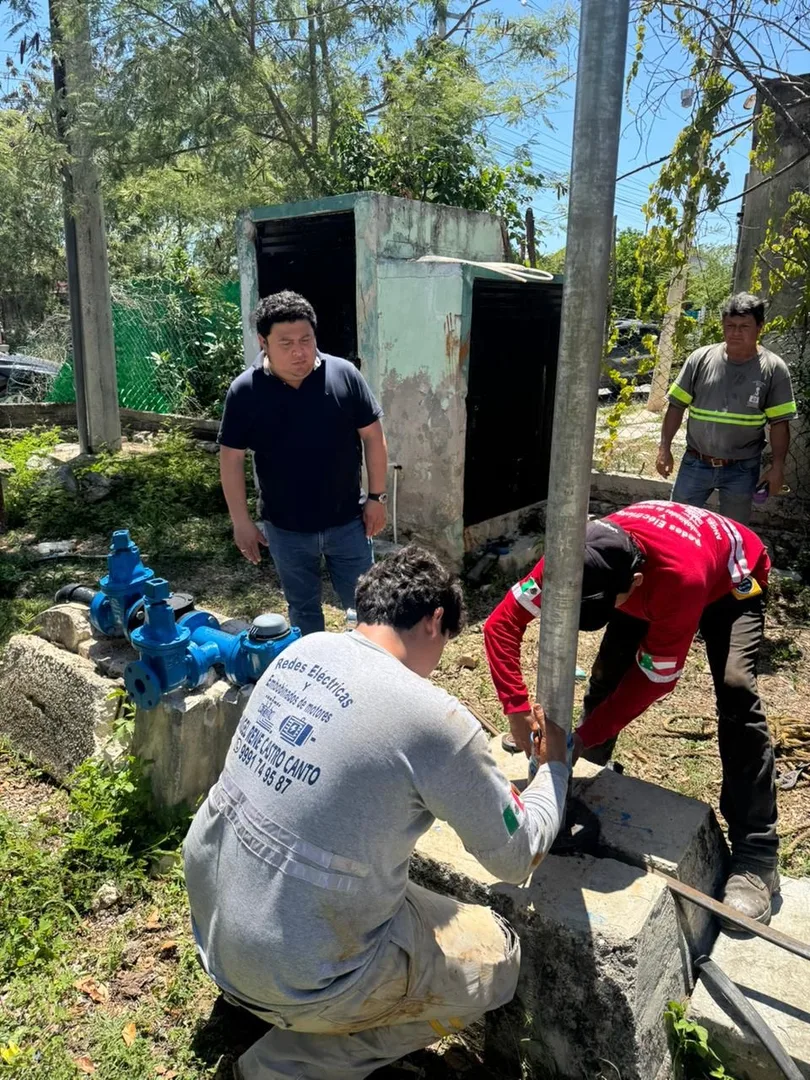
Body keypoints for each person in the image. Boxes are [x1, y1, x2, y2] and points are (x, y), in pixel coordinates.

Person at [183, 546, 569, 1080]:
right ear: (436, 620)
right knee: (498, 962)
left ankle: (263, 998)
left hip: (216, 931)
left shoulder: (301, 651)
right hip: (289, 971)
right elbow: (518, 854)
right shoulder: (433, 719)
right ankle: (283, 1066)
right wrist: (554, 771)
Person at [483, 501, 779, 924]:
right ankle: (580, 775)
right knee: (606, 672)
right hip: (649, 574)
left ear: (633, 583)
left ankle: (757, 856)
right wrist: (515, 708)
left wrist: (581, 737)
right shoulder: (571, 556)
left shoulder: (679, 581)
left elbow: (656, 678)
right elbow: (500, 626)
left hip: (731, 581)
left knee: (736, 693)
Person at [218, 290, 389, 634]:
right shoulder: (246, 392)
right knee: (304, 611)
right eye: (286, 343)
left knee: (370, 610)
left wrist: (376, 498)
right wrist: (241, 522)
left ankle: (370, 678)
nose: (299, 351)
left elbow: (373, 436)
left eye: (306, 339)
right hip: (286, 529)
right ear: (262, 341)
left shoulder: (343, 375)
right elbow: (231, 459)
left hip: (348, 523)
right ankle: (314, 678)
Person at [656, 292, 797, 525]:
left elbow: (780, 424)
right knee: (678, 525)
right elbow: (676, 406)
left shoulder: (774, 369)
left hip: (742, 469)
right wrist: (664, 448)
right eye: (730, 325)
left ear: (759, 327)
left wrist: (777, 467)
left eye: (744, 326)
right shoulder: (700, 359)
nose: (735, 333)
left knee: (733, 533)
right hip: (695, 463)